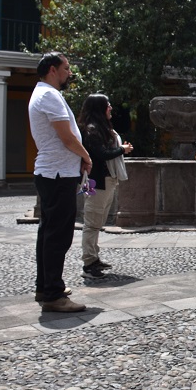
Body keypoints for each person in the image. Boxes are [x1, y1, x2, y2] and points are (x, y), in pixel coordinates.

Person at [29, 52, 90, 312]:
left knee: (48, 233)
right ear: (53, 69)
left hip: (52, 172)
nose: (69, 73)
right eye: (66, 68)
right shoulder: (49, 95)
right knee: (58, 235)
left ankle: (45, 286)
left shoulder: (43, 93)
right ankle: (53, 295)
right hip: (58, 174)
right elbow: (66, 137)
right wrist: (86, 156)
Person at [79, 94, 133, 278]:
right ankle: (89, 263)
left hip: (102, 180)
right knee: (92, 222)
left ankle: (94, 257)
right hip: (96, 181)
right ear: (99, 108)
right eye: (107, 105)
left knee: (96, 221)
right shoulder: (92, 129)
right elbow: (101, 154)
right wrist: (122, 150)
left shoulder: (99, 128)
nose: (110, 107)